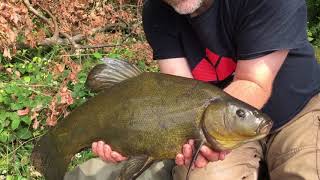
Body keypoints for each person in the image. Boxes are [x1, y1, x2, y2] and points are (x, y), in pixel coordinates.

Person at [89, 0, 320, 179]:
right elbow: (176, 96)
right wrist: (128, 142)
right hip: (216, 128)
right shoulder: (156, 11)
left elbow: (254, 83)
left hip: (297, 111)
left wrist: (208, 130)